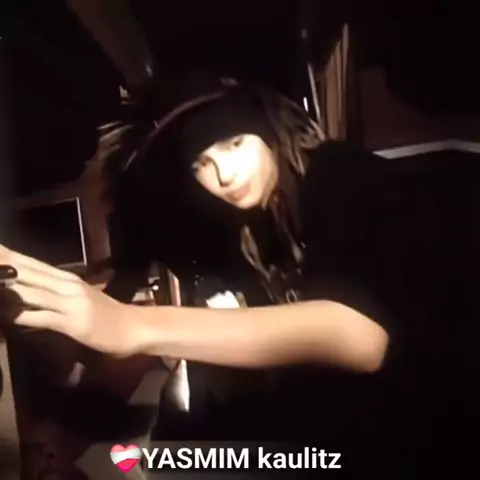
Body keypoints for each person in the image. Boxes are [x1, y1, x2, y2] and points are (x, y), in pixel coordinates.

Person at [0, 71, 478, 474]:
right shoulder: (230, 224)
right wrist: (76, 429)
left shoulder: (339, 177)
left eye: (234, 143)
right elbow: (145, 328)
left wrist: (134, 325)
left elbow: (362, 337)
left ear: (267, 131)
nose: (225, 175)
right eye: (202, 163)